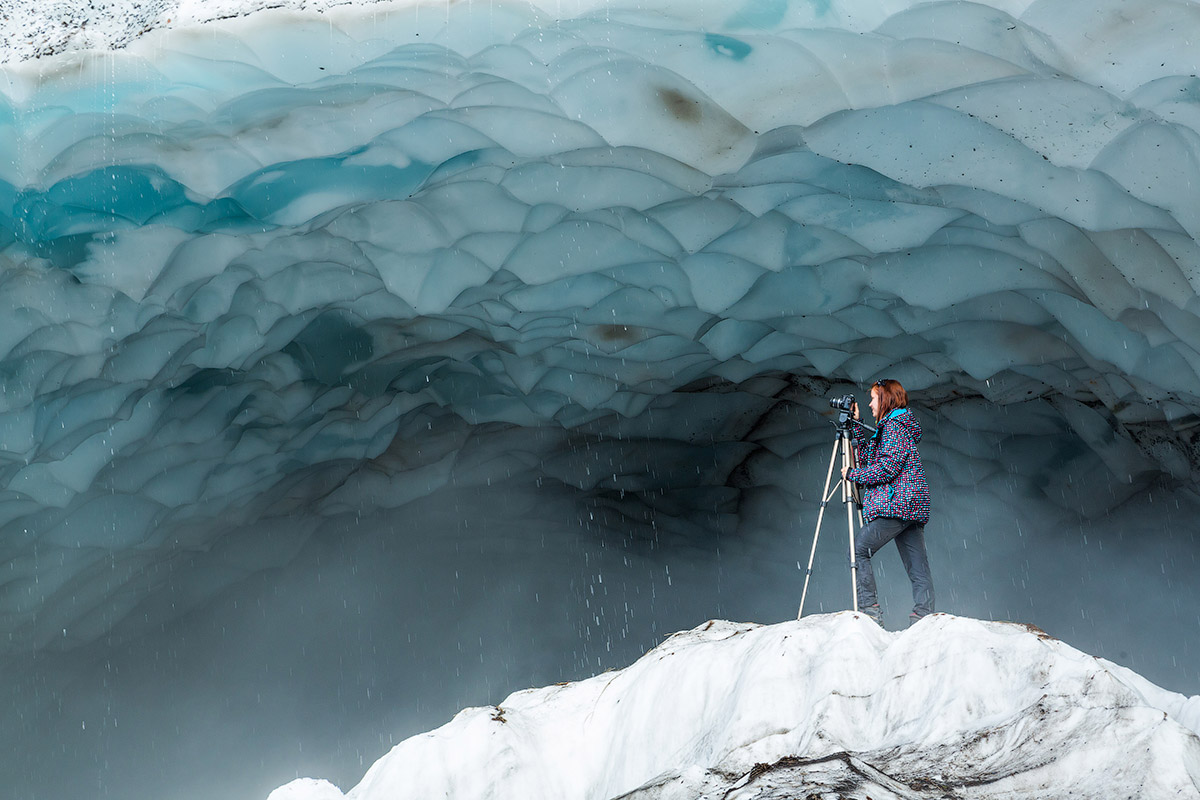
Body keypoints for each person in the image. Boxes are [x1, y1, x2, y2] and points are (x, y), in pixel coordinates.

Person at [840, 379, 933, 627]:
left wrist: (851, 475)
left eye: (873, 398)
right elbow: (873, 458)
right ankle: (924, 616)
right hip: (910, 505)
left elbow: (885, 469)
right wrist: (857, 427)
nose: (870, 404)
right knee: (917, 565)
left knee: (858, 549)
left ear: (885, 398)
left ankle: (869, 610)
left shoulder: (894, 427)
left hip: (899, 505)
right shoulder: (894, 426)